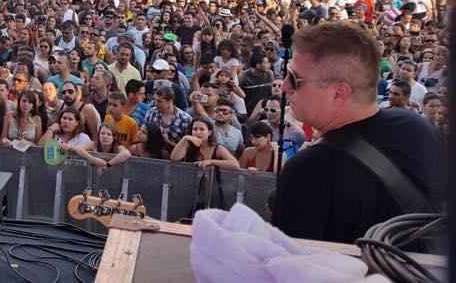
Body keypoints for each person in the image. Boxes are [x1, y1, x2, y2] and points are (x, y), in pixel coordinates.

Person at [273, 22, 443, 243]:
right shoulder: (417, 127)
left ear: (338, 93)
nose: (285, 86)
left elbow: (287, 269)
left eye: (294, 79)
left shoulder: (306, 170)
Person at [169, 115, 240, 169]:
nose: (197, 132)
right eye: (194, 129)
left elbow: (235, 164)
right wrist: (184, 139)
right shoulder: (187, 143)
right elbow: (174, 159)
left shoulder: (218, 148)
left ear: (209, 132)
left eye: (202, 129)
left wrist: (211, 162)